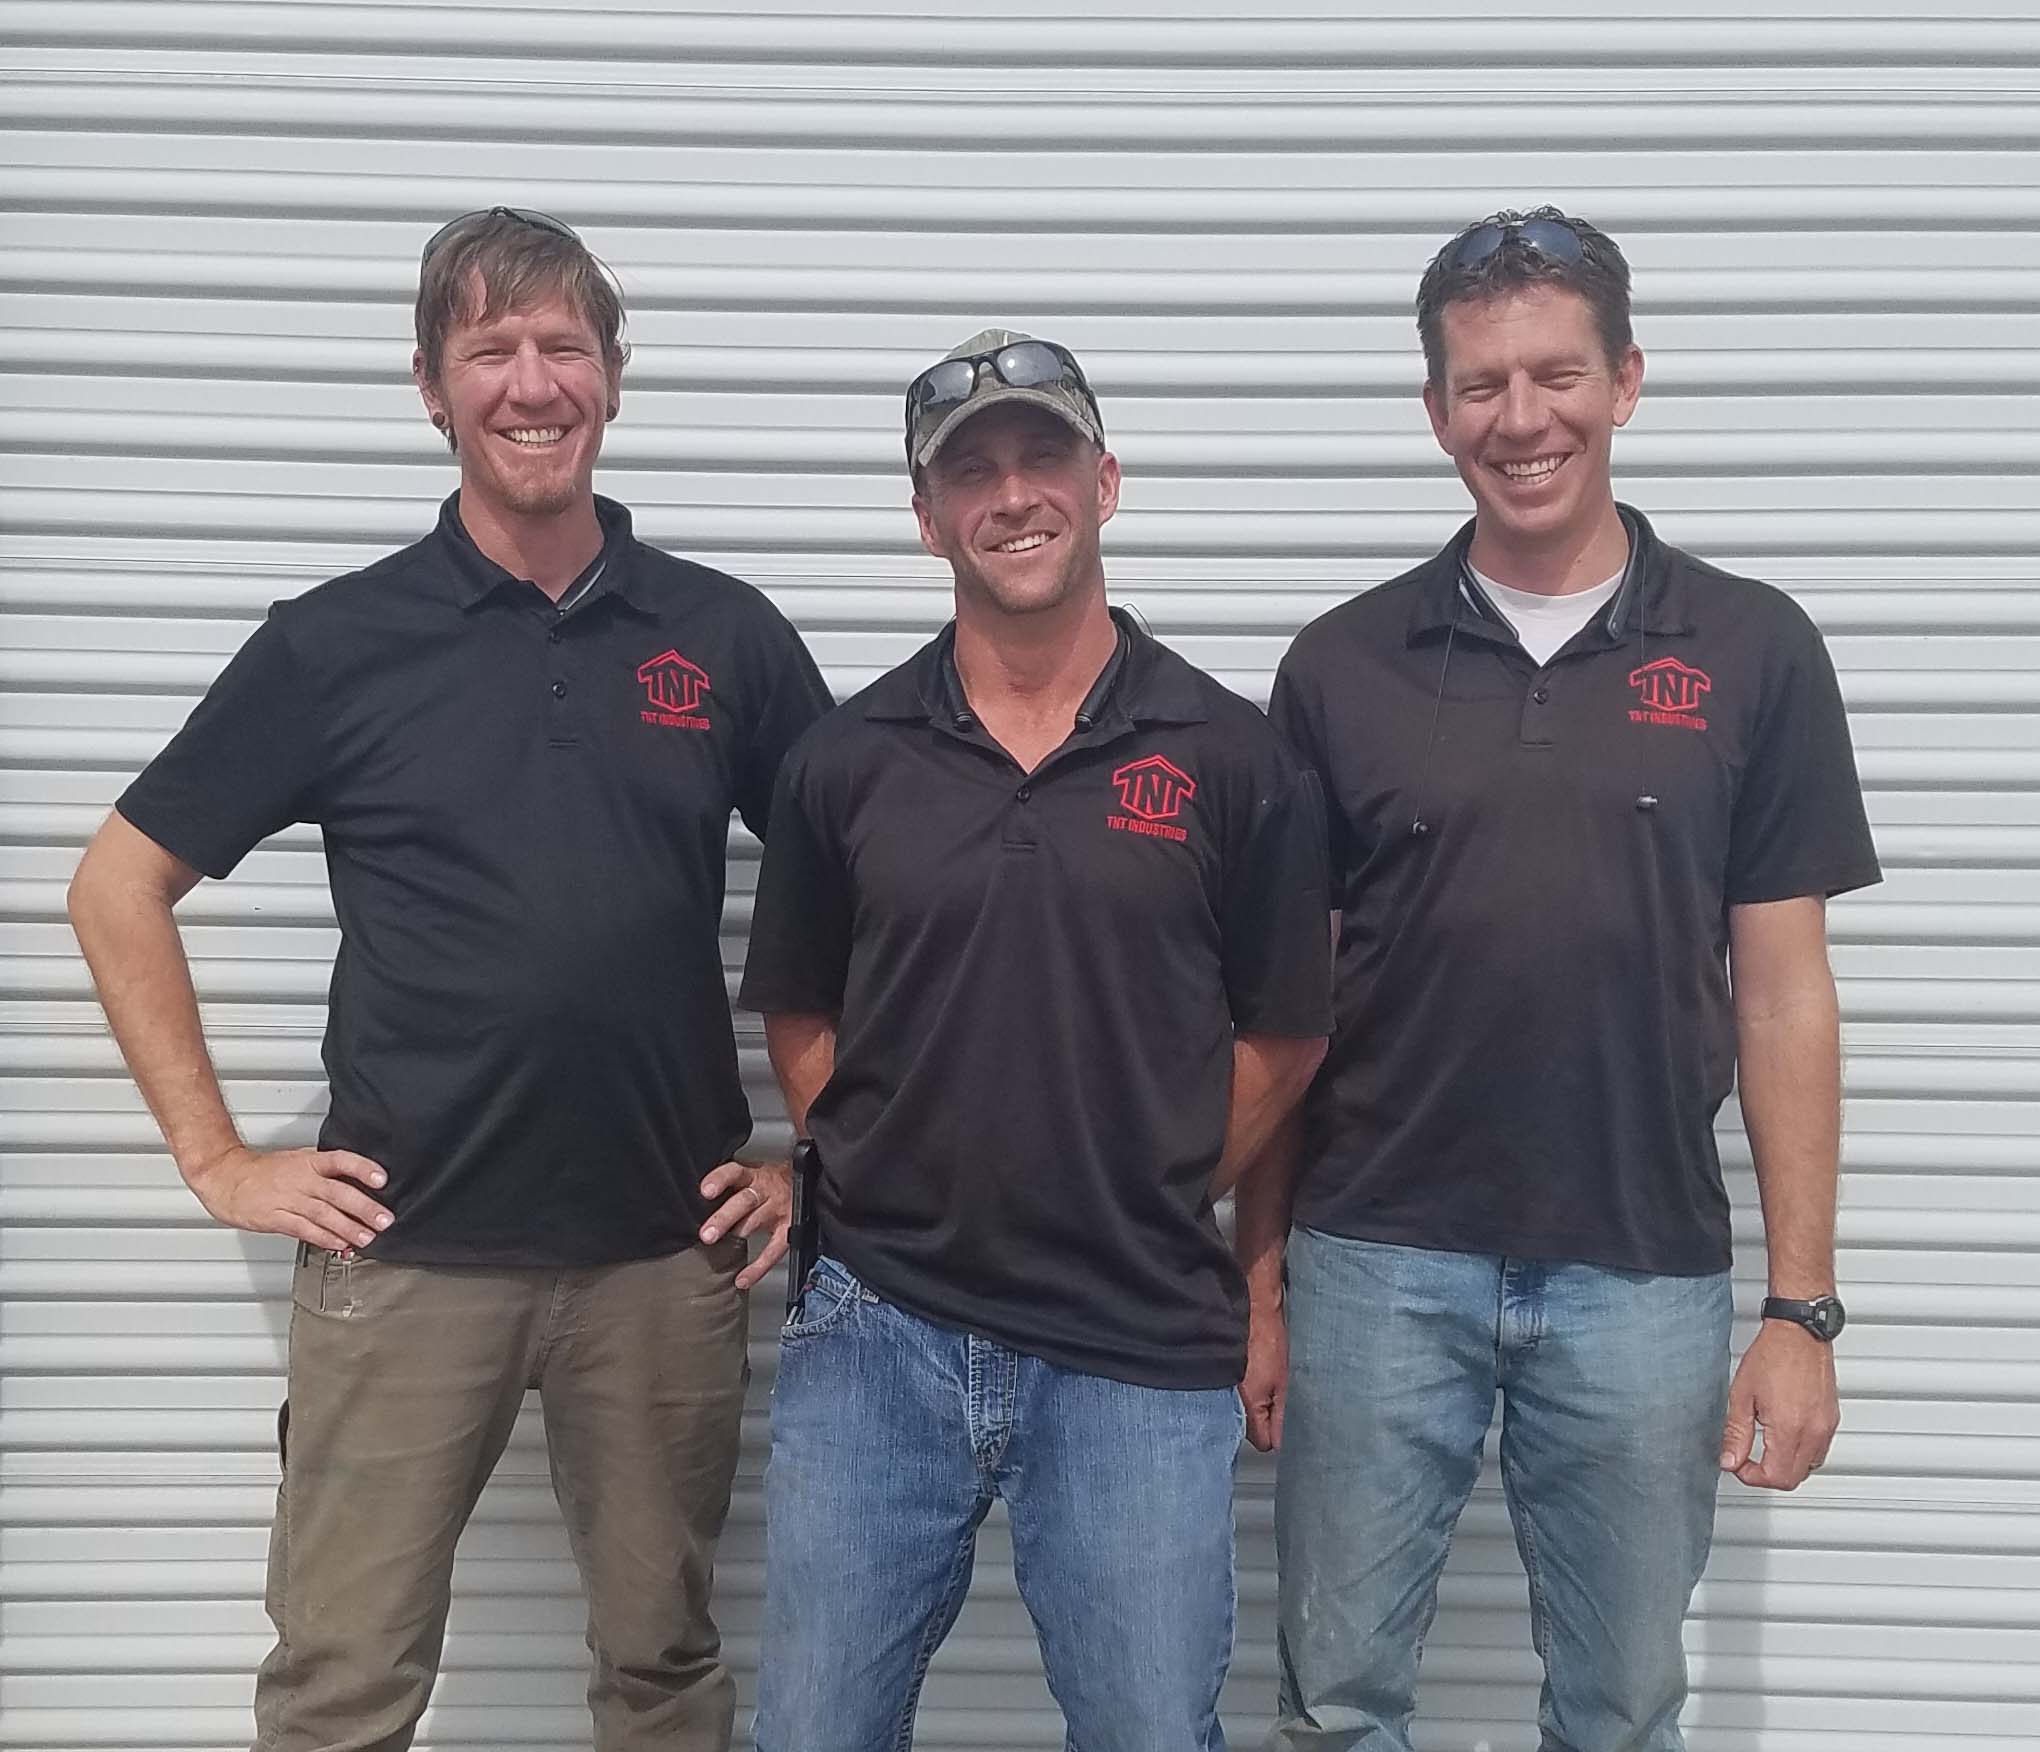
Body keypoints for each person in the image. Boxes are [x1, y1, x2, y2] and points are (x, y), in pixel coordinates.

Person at [64, 206, 833, 1752]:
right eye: (490, 350)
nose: (530, 382)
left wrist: (827, 1151)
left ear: (612, 377)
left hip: (658, 1267)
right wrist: (217, 1160)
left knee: (664, 1676)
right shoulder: (336, 646)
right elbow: (115, 887)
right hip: (404, 1259)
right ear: (432, 387)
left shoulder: (723, 638)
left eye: (563, 346)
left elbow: (869, 894)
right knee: (342, 1687)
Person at [1245, 209, 1882, 1751]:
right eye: (1481, 385)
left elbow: (1784, 995)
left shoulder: (1752, 650)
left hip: (1641, 1271)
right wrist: (1258, 1279)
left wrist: (1802, 1310)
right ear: (1436, 410)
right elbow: (1282, 1011)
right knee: (1337, 1700)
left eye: (1556, 375)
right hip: (1375, 1260)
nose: (1520, 419)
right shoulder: (1340, 666)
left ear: (1627, 381)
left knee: (1622, 1708)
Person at [738, 329, 1333, 1752]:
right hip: (879, 1326)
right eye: (972, 473)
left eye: (1043, 458)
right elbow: (801, 1011)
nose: (1013, 496)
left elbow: (1287, 1036)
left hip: (1137, 1337)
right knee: (814, 1729)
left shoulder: (1231, 758)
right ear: (927, 516)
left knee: (1148, 1731)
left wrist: (1153, 1171)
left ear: (1104, 482)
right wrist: (884, 1158)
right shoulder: (845, 761)